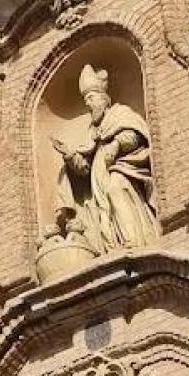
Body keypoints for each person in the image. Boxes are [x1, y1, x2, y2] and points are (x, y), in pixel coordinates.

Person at [50, 64, 158, 254]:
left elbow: (135, 134)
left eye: (90, 99)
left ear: (104, 99)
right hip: (98, 187)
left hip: (124, 170)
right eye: (85, 100)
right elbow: (85, 168)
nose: (88, 104)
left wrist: (116, 145)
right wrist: (69, 155)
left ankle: (134, 240)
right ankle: (114, 247)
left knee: (116, 189)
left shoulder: (120, 113)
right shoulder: (93, 131)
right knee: (102, 212)